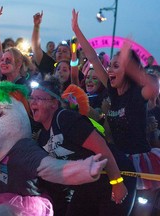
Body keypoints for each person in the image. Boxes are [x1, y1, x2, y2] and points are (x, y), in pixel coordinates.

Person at [72, 8, 160, 216]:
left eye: (116, 66)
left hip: (138, 163)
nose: (109, 70)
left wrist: (129, 63)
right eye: (109, 66)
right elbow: (93, 58)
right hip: (115, 160)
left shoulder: (138, 95)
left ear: (129, 72)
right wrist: (77, 30)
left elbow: (153, 87)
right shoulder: (112, 90)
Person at [29, 78, 132, 216]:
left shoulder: (64, 119)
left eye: (39, 98)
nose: (33, 102)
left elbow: (102, 148)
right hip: (88, 184)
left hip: (115, 174)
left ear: (54, 103)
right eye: (31, 98)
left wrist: (117, 182)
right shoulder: (42, 137)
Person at [0, 5, 32, 85]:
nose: (3, 63)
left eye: (8, 60)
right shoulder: (4, 80)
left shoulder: (24, 86)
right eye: (2, 60)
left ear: (18, 64)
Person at [31, 11, 71, 77]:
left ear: (71, 56)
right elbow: (36, 48)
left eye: (64, 51)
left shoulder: (75, 72)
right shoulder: (49, 64)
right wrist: (36, 26)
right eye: (58, 51)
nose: (60, 53)